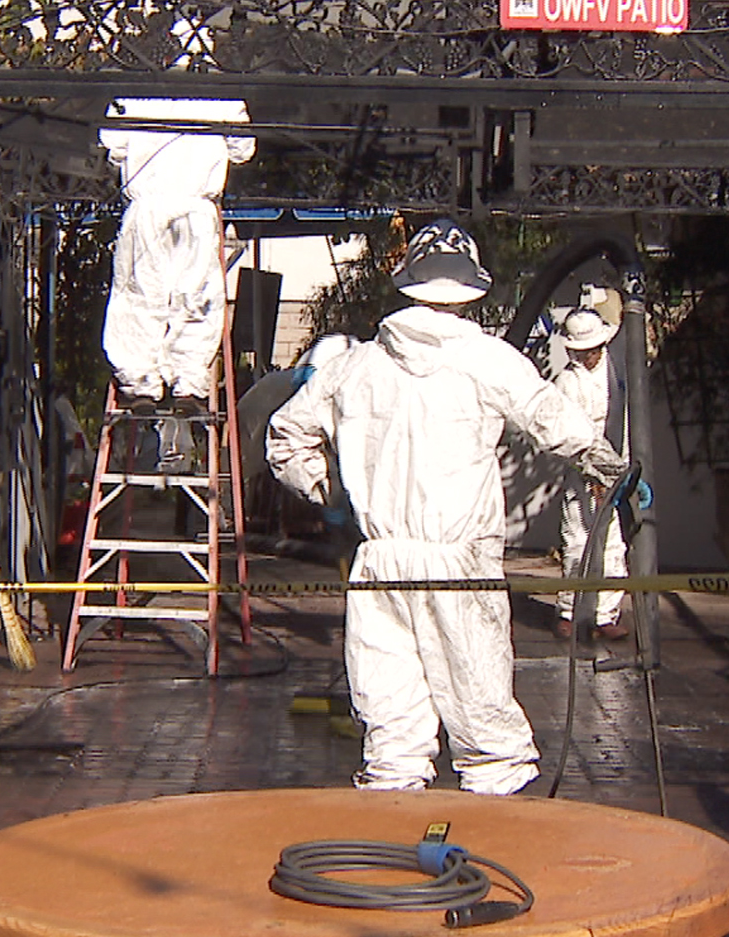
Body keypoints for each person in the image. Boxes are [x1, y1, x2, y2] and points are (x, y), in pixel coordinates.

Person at [265, 219, 626, 795]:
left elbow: (285, 435)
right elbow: (550, 418)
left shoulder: (353, 366)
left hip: (380, 567)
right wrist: (606, 465)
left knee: (392, 726)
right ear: (470, 289)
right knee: (484, 719)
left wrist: (324, 489)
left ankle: (390, 841)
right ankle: (493, 842)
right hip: (459, 567)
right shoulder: (488, 360)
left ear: (407, 283)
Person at [98, 96, 254, 418]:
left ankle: (140, 382)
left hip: (149, 207)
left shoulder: (133, 97)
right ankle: (188, 383)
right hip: (196, 207)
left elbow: (113, 146)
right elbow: (243, 150)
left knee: (139, 295)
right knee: (196, 296)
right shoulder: (224, 99)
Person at [552, 308, 630, 640]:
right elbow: (567, 434)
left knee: (613, 545)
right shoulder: (566, 382)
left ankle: (605, 614)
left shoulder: (616, 372)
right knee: (577, 541)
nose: (588, 356)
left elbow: (624, 424)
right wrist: (591, 473)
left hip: (617, 467)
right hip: (581, 472)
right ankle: (571, 610)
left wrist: (622, 472)